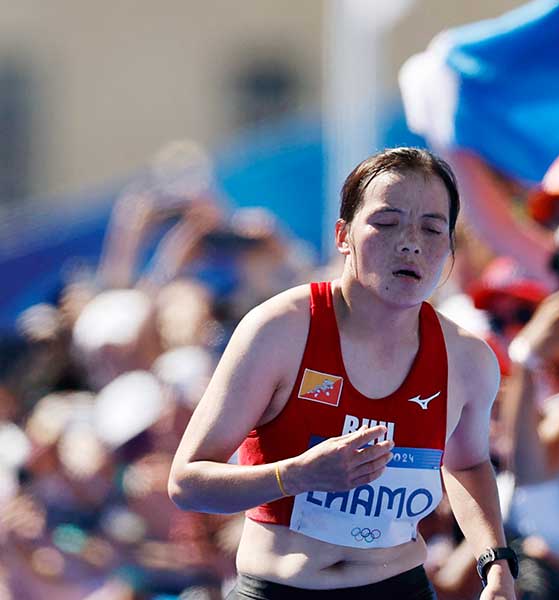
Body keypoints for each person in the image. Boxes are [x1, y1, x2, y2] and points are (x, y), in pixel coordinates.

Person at [168, 147, 517, 599]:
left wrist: (495, 562)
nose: (410, 242)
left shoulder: (468, 359)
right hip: (278, 587)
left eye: (431, 228)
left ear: (450, 247)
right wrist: (295, 475)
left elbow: (468, 464)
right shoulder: (280, 330)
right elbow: (187, 482)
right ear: (342, 235)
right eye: (386, 223)